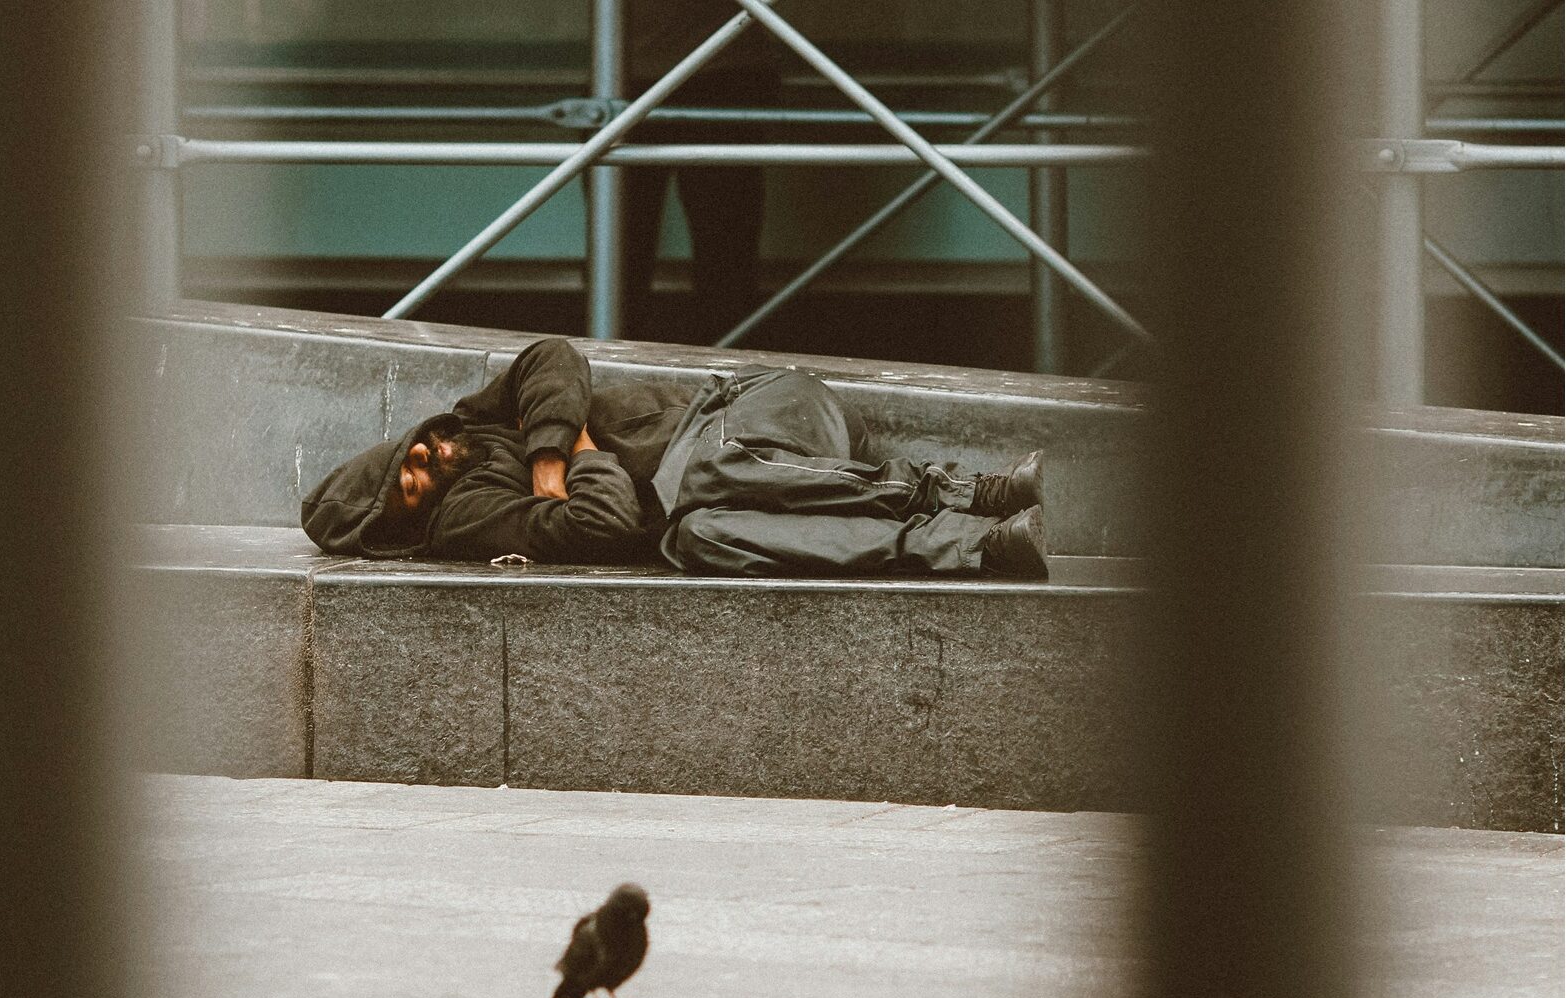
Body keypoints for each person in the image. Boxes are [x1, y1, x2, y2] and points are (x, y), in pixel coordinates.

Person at [300, 337, 1048, 578]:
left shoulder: (475, 418)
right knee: (700, 537)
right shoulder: (469, 518)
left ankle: (965, 489)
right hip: (730, 490)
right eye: (413, 480)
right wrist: (579, 446)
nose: (427, 455)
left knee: (705, 472)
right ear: (409, 518)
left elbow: (552, 355)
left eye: (412, 450)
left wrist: (551, 457)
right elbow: (607, 519)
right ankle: (978, 545)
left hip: (765, 405)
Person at [616, 0, 782, 343]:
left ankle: (728, 369)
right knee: (622, 253)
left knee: (721, 256)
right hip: (642, 69)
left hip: (714, 69)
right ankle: (729, 370)